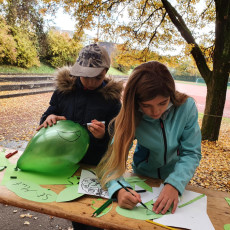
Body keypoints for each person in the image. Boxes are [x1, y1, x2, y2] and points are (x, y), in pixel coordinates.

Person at [96, 61, 202, 215]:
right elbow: (111, 161)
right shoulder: (131, 115)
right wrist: (119, 189)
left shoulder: (186, 107)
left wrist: (174, 184)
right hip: (143, 178)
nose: (155, 111)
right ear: (136, 102)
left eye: (163, 103)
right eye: (146, 105)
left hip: (178, 178)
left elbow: (191, 153)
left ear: (170, 95)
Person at [37, 43, 123, 230]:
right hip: (64, 163)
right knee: (73, 213)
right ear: (77, 72)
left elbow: (117, 142)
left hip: (94, 167)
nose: (91, 83)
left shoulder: (112, 99)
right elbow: (46, 118)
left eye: (98, 77)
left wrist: (103, 137)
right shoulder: (64, 90)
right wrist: (49, 118)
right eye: (85, 77)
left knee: (91, 218)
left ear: (106, 71)